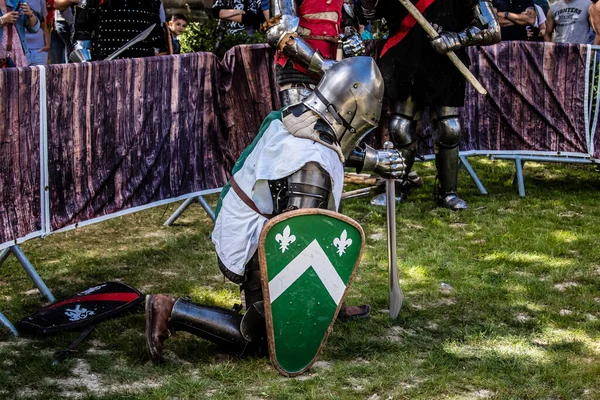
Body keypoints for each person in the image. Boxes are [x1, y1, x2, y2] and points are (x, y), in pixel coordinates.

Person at [145, 57, 406, 365]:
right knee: (259, 339)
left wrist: (372, 161)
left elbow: (333, 144)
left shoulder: (301, 114)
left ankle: (334, 303)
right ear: (350, 110)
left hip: (250, 214)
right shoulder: (311, 162)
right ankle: (168, 308)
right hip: (255, 234)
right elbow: (298, 242)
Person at [362, 0, 501, 209]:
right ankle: (397, 188)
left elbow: (492, 29)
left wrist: (457, 38)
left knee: (449, 129)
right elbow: (371, 14)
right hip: (407, 57)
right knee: (401, 127)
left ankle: (448, 193)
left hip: (446, 61)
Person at [262, 0, 366, 106]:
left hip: (334, 70)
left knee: (335, 121)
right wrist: (321, 64)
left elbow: (347, 22)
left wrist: (351, 37)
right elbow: (279, 31)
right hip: (299, 69)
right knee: (300, 121)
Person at [70, 0, 167, 62]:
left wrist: (161, 51)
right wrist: (84, 60)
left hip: (142, 62)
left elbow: (156, 32)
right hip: (104, 61)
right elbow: (82, 30)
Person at [0, 0, 39, 68]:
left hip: (18, 56)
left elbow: (34, 29)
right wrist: (2, 20)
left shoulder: (16, 1)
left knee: (18, 78)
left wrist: (30, 14)